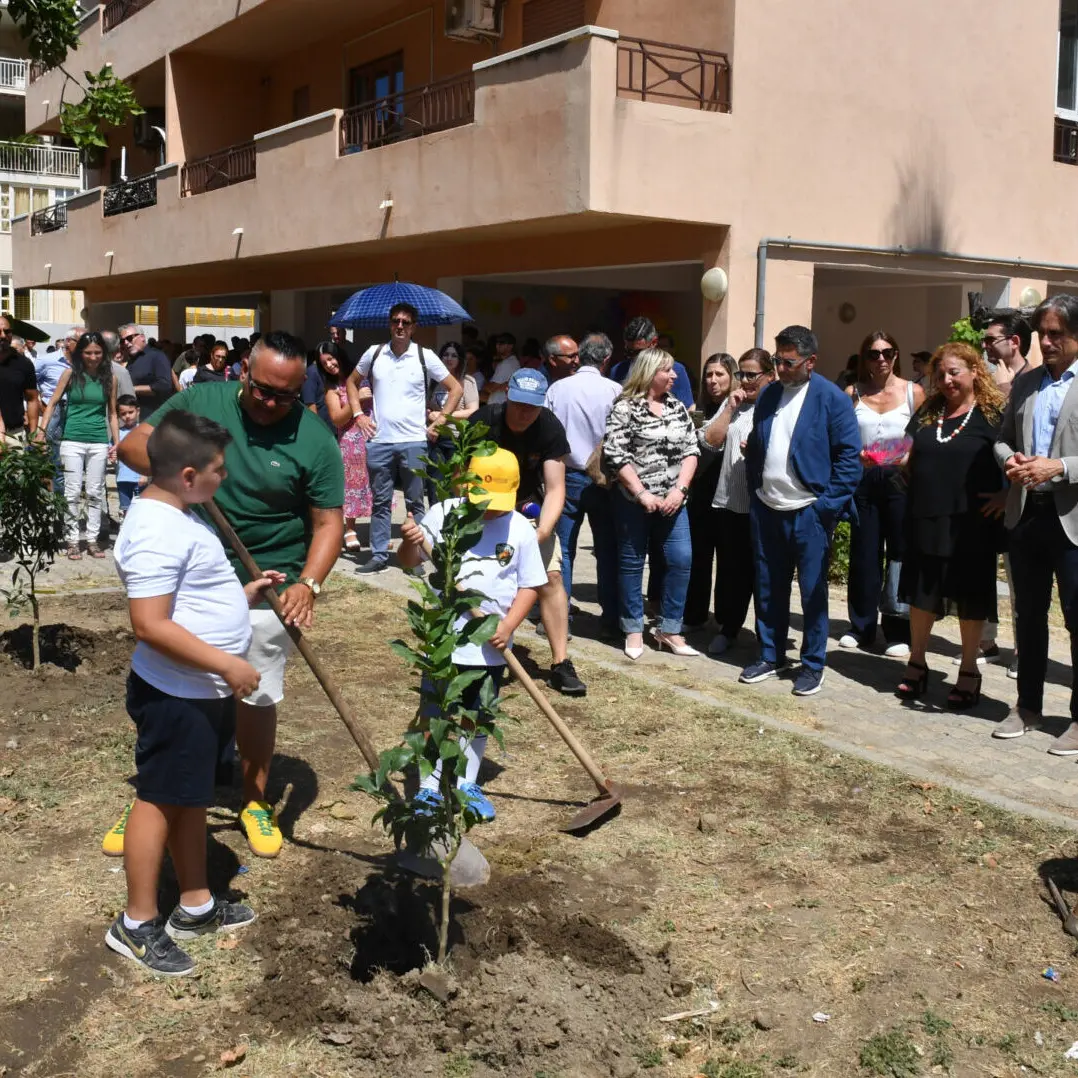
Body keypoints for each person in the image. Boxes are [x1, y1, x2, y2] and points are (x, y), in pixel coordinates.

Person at [107, 331, 345, 860]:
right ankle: (156, 795)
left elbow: (329, 523)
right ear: (243, 373)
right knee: (177, 691)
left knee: (256, 691)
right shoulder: (202, 401)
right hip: (190, 577)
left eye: (285, 396)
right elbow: (133, 445)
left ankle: (253, 799)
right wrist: (181, 472)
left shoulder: (314, 439)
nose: (270, 403)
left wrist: (308, 583)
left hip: (268, 580)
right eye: (261, 389)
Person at [106, 410, 283, 976]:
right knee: (159, 799)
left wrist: (239, 595)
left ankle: (196, 904)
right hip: (177, 695)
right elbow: (149, 624)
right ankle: (136, 922)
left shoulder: (178, 514)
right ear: (188, 476)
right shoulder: (156, 532)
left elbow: (187, 595)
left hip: (199, 692)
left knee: (190, 798)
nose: (224, 478)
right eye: (218, 470)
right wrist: (227, 664)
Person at [396, 448, 547, 820]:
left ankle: (467, 782)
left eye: (498, 502)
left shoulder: (520, 529)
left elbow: (531, 585)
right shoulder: (443, 515)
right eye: (483, 500)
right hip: (443, 642)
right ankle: (429, 788)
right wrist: (411, 541)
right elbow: (409, 562)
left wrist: (508, 626)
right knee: (434, 716)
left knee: (477, 717)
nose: (490, 510)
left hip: (490, 648)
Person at [740, 325, 862, 697]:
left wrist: (825, 507)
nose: (780, 368)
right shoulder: (769, 394)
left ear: (811, 362)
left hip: (809, 511)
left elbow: (849, 459)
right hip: (768, 507)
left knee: (812, 592)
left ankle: (812, 664)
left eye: (788, 362)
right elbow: (760, 441)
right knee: (768, 586)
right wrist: (756, 488)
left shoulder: (832, 399)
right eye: (777, 360)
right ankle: (771, 654)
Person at [894, 342, 1006, 707]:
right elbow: (906, 450)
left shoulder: (993, 415)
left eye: (954, 372)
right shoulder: (930, 410)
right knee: (922, 594)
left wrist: (1007, 495)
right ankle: (917, 662)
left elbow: (1015, 457)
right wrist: (880, 457)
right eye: (940, 374)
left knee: (970, 597)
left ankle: (969, 670)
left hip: (971, 523)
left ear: (975, 371)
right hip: (925, 514)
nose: (946, 380)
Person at [993, 295, 1078, 748]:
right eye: (1042, 334)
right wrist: (1010, 460)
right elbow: (1002, 439)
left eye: (1055, 334)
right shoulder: (1026, 384)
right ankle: (1027, 706)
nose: (1045, 342)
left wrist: (1059, 467)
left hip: (1072, 521)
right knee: (1028, 617)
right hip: (1027, 514)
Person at [472, 368, 587, 696]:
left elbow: (556, 488)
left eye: (532, 406)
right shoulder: (484, 422)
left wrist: (543, 532)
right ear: (508, 395)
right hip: (483, 508)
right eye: (520, 404)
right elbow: (461, 477)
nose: (525, 412)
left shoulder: (549, 427)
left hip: (529, 509)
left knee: (550, 577)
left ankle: (561, 663)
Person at [347, 303, 461, 575]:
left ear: (413, 327)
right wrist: (358, 414)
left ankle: (417, 556)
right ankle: (378, 555)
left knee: (415, 503)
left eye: (405, 322)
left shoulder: (424, 356)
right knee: (380, 502)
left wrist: (440, 421)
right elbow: (351, 382)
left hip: (413, 441)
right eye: (396, 321)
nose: (400, 326)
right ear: (389, 324)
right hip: (380, 441)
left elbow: (455, 389)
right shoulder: (374, 353)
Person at [604, 347, 700, 659]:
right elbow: (615, 454)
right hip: (633, 502)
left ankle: (669, 629)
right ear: (649, 372)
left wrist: (680, 490)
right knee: (632, 562)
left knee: (681, 559)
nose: (674, 376)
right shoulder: (624, 408)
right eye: (667, 370)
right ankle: (633, 629)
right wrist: (642, 493)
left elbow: (691, 450)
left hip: (673, 501)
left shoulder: (676, 407)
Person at [840, 332, 924, 657]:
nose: (880, 359)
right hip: (864, 479)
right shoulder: (853, 393)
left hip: (901, 480)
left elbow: (925, 436)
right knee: (864, 552)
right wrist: (854, 456)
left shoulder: (913, 392)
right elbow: (842, 437)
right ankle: (861, 626)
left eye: (887, 352)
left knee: (900, 553)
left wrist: (907, 458)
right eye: (873, 354)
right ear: (865, 358)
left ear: (896, 355)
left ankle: (897, 628)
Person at [545, 332, 621, 640]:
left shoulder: (558, 389)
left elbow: (546, 432)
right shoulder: (615, 390)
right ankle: (610, 620)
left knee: (562, 550)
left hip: (565, 474)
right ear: (606, 359)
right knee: (607, 550)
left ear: (581, 357)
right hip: (604, 479)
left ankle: (557, 617)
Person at [699, 348, 775, 656]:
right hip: (731, 501)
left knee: (764, 573)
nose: (746, 380)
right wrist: (730, 409)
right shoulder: (735, 403)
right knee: (732, 571)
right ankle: (728, 628)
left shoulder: (777, 405)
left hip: (766, 503)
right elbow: (710, 441)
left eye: (752, 374)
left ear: (770, 375)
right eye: (742, 374)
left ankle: (767, 637)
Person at [39, 332, 119, 560]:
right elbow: (52, 403)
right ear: (80, 353)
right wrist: (42, 432)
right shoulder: (70, 374)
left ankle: (92, 539)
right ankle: (72, 539)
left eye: (97, 352)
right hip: (71, 439)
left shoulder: (110, 378)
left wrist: (116, 443)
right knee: (72, 491)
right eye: (88, 352)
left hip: (98, 440)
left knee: (95, 492)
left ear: (104, 353)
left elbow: (112, 413)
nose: (93, 357)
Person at [684, 353, 736, 629]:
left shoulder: (739, 408)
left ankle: (726, 622)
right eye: (709, 374)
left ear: (732, 377)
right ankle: (694, 615)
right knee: (698, 558)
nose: (713, 380)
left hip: (729, 493)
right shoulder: (697, 408)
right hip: (701, 492)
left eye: (719, 374)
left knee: (728, 561)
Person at [316, 340, 371, 552]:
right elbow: (337, 419)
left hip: (373, 435)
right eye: (324, 363)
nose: (329, 365)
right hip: (350, 442)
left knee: (378, 483)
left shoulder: (362, 377)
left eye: (330, 359)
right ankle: (350, 529)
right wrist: (355, 400)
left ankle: (379, 530)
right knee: (351, 486)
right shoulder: (332, 389)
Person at [425, 340, 480, 503]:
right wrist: (429, 414)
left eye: (454, 355)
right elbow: (428, 406)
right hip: (435, 438)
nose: (449, 358)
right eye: (445, 355)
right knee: (435, 484)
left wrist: (444, 416)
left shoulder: (467, 381)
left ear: (460, 359)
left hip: (456, 438)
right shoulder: (434, 381)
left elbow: (473, 410)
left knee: (456, 485)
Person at [610, 317, 696, 412]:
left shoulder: (675, 371)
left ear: (654, 343)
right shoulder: (618, 371)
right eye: (628, 352)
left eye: (638, 352)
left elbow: (688, 409)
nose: (634, 357)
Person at [0, 313, 39, 448]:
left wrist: (33, 434)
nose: (3, 336)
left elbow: (32, 399)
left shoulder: (24, 364)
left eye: (7, 331)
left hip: (15, 434)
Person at [119, 324, 173, 420]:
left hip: (154, 417)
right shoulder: (131, 360)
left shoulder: (157, 356)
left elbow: (164, 385)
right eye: (123, 341)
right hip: (134, 420)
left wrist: (132, 389)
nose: (126, 343)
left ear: (142, 337)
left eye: (129, 338)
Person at [115, 395, 143, 517]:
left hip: (140, 479)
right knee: (125, 508)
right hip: (122, 478)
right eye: (123, 414)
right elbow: (113, 452)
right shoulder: (117, 433)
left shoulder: (143, 430)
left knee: (141, 508)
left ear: (138, 411)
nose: (127, 416)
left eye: (130, 412)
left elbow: (148, 455)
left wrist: (145, 475)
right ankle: (125, 524)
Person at [479, 332, 519, 405]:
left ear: (510, 346)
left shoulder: (506, 364)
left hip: (498, 406)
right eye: (497, 343)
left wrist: (484, 386)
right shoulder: (513, 361)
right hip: (502, 404)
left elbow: (491, 388)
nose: (498, 345)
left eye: (502, 343)